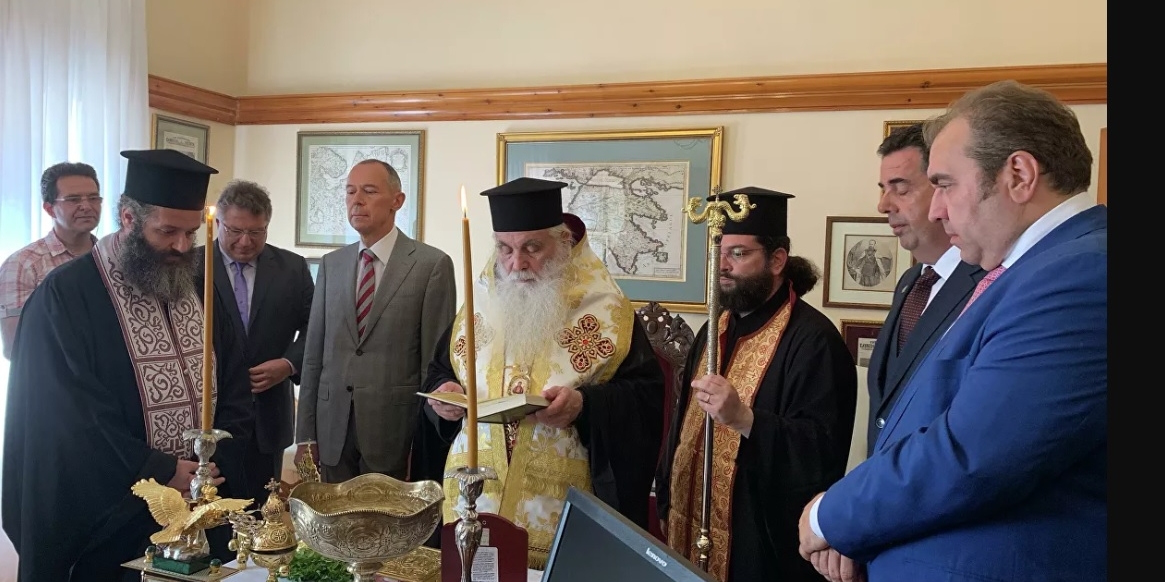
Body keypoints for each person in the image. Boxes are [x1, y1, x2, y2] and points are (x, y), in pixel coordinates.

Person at [799, 81, 1107, 582]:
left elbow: (973, 453)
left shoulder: (1080, 275)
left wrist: (829, 514)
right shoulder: (1032, 270)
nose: (937, 209)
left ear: (1019, 175)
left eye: (944, 184)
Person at [2, 149, 253, 582]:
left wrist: (215, 459)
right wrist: (159, 470)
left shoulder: (199, 279)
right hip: (114, 507)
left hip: (203, 494)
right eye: (167, 231)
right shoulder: (68, 294)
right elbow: (68, 412)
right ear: (129, 218)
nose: (181, 246)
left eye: (190, 233)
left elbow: (232, 376)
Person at [420, 177, 664, 569]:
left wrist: (583, 405)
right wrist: (442, 394)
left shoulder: (604, 308)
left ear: (563, 242)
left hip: (561, 501)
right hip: (474, 499)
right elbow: (441, 369)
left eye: (532, 248)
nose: (516, 264)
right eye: (505, 249)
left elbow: (645, 397)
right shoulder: (483, 301)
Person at [655, 187, 858, 582]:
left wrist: (745, 419)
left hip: (760, 545)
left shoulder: (814, 340)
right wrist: (667, 497)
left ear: (777, 260)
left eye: (738, 253)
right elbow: (681, 422)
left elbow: (822, 451)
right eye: (719, 252)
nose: (723, 266)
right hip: (689, 524)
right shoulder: (716, 327)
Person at [295, 159, 456, 483]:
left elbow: (434, 364)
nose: (357, 201)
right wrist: (305, 435)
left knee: (385, 516)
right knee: (334, 514)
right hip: (332, 429)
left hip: (395, 433)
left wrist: (424, 439)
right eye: (350, 192)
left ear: (397, 200)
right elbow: (314, 356)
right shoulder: (331, 265)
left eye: (369, 191)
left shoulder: (430, 265)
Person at [863, 124, 984, 457]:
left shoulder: (988, 283)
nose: (883, 205)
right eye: (883, 189)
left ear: (943, 188)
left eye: (900, 188)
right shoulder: (910, 283)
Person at [196, 179, 314, 501]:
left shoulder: (292, 268)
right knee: (210, 513)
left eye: (256, 232)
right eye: (235, 231)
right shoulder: (192, 267)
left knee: (265, 514)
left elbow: (316, 327)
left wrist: (288, 364)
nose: (245, 241)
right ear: (218, 223)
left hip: (268, 416)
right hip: (210, 415)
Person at [0, 162, 102, 359]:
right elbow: (15, 347)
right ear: (50, 209)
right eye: (73, 199)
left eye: (93, 198)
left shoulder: (112, 258)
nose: (86, 206)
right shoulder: (23, 265)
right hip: (53, 374)